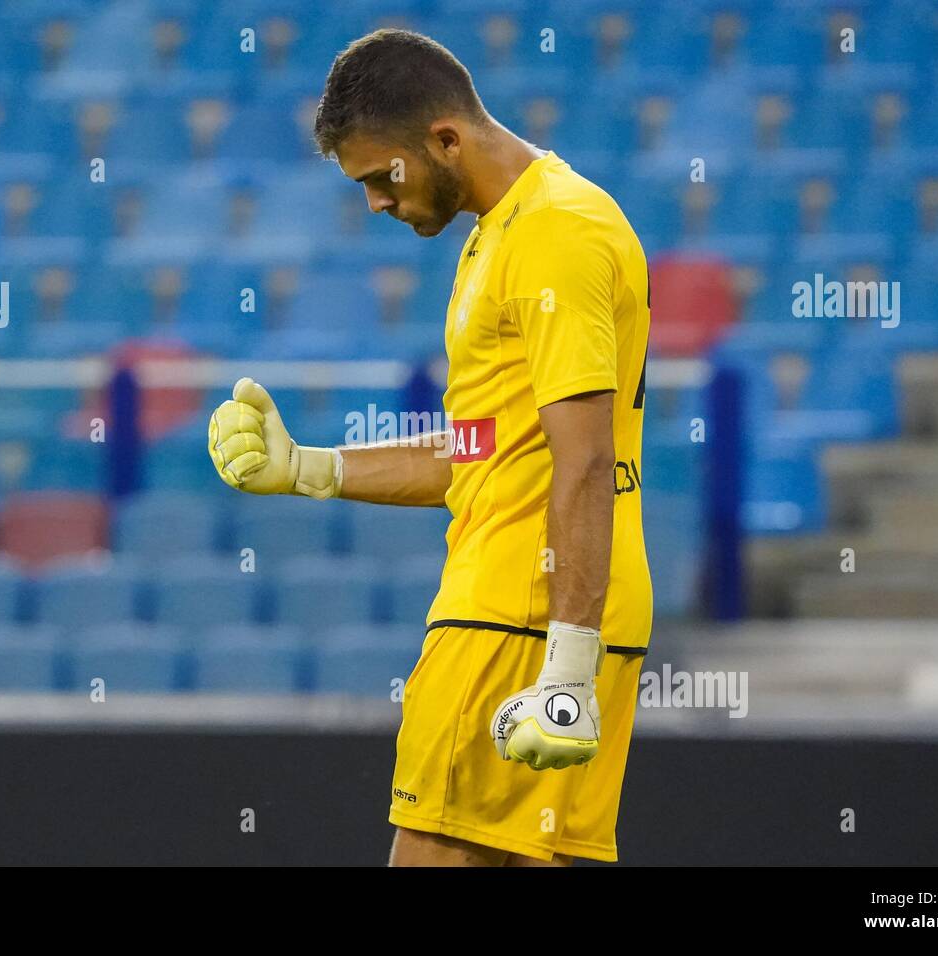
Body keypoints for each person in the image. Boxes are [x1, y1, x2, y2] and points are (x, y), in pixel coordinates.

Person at [207, 28, 652, 867]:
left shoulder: (552, 233)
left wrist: (564, 668)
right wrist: (310, 468)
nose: (375, 202)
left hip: (516, 617)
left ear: (445, 139)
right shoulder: (510, 230)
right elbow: (486, 449)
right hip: (550, 615)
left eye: (382, 176)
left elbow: (585, 460)